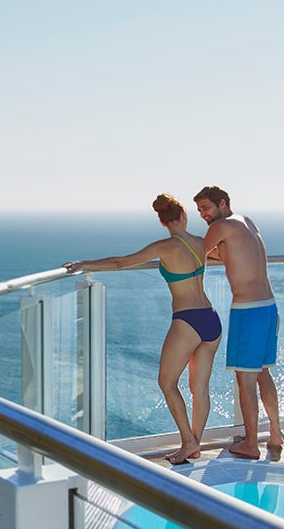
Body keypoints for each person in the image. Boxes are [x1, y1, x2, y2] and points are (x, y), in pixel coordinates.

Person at [65, 194, 221, 466]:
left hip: (187, 320)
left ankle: (188, 442)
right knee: (200, 387)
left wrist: (84, 264)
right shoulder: (199, 242)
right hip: (210, 317)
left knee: (167, 382)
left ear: (162, 222)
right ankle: (195, 443)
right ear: (183, 216)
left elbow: (120, 262)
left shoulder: (164, 246)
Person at [194, 185, 282, 460]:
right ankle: (276, 435)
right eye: (199, 211)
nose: (203, 215)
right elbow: (232, 254)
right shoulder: (245, 222)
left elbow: (194, 252)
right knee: (262, 372)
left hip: (249, 311)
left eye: (206, 208)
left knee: (245, 379)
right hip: (268, 307)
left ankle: (251, 444)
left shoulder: (221, 227)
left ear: (222, 203)